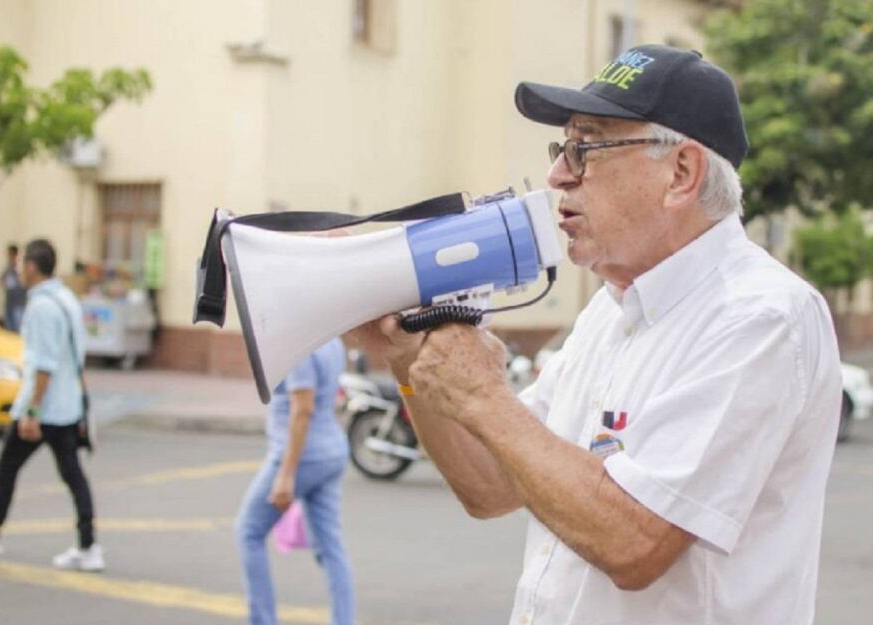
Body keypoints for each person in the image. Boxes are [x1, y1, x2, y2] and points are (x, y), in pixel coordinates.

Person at [349, 45, 841, 625]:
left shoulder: (762, 318)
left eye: (586, 147)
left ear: (681, 173)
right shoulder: (611, 311)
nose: (558, 174)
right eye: (563, 148)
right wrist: (407, 360)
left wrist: (483, 395)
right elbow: (490, 487)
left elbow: (635, 543)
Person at [0, 239, 102, 571]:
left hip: (43, 409)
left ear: (33, 267)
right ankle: (88, 546)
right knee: (73, 475)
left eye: (21, 262)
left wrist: (32, 411)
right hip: (67, 406)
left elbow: (44, 365)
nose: (17, 268)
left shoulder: (41, 307)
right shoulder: (66, 298)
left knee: (6, 469)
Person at [235, 338, 354, 625]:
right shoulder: (332, 340)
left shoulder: (299, 347)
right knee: (331, 547)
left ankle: (262, 620)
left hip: (304, 456)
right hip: (331, 449)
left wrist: (286, 475)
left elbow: (303, 410)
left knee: (248, 531)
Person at [0, 243, 26, 331]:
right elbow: (2, 280)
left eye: (10, 254)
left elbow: (24, 284)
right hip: (9, 304)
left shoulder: (21, 268)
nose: (9, 257)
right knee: (9, 329)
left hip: (19, 305)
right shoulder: (8, 268)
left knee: (18, 329)